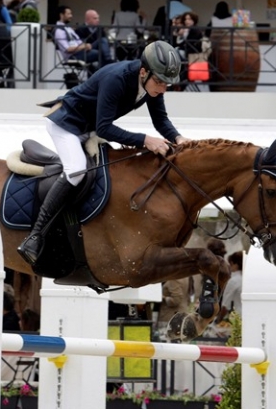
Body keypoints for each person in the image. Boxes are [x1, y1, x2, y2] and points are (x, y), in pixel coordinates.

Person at [17, 41, 189, 265]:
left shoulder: (152, 82)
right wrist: (145, 140)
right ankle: (35, 236)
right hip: (67, 125)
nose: (163, 88)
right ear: (144, 72)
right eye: (160, 82)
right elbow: (105, 128)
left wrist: (179, 138)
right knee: (77, 170)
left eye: (167, 84)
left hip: (88, 129)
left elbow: (161, 120)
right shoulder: (117, 79)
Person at [53, 6, 112, 70]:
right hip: (74, 56)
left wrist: (86, 45)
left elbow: (79, 42)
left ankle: (107, 62)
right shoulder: (59, 31)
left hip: (81, 51)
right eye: (68, 14)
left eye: (71, 14)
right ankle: (104, 68)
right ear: (61, 15)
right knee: (100, 53)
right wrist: (83, 46)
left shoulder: (68, 28)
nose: (71, 16)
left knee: (102, 40)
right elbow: (68, 49)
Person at [216, 251, 242, 323]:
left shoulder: (233, 281)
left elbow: (225, 306)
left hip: (238, 318)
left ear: (236, 265)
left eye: (230, 264)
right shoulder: (246, 278)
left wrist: (217, 322)